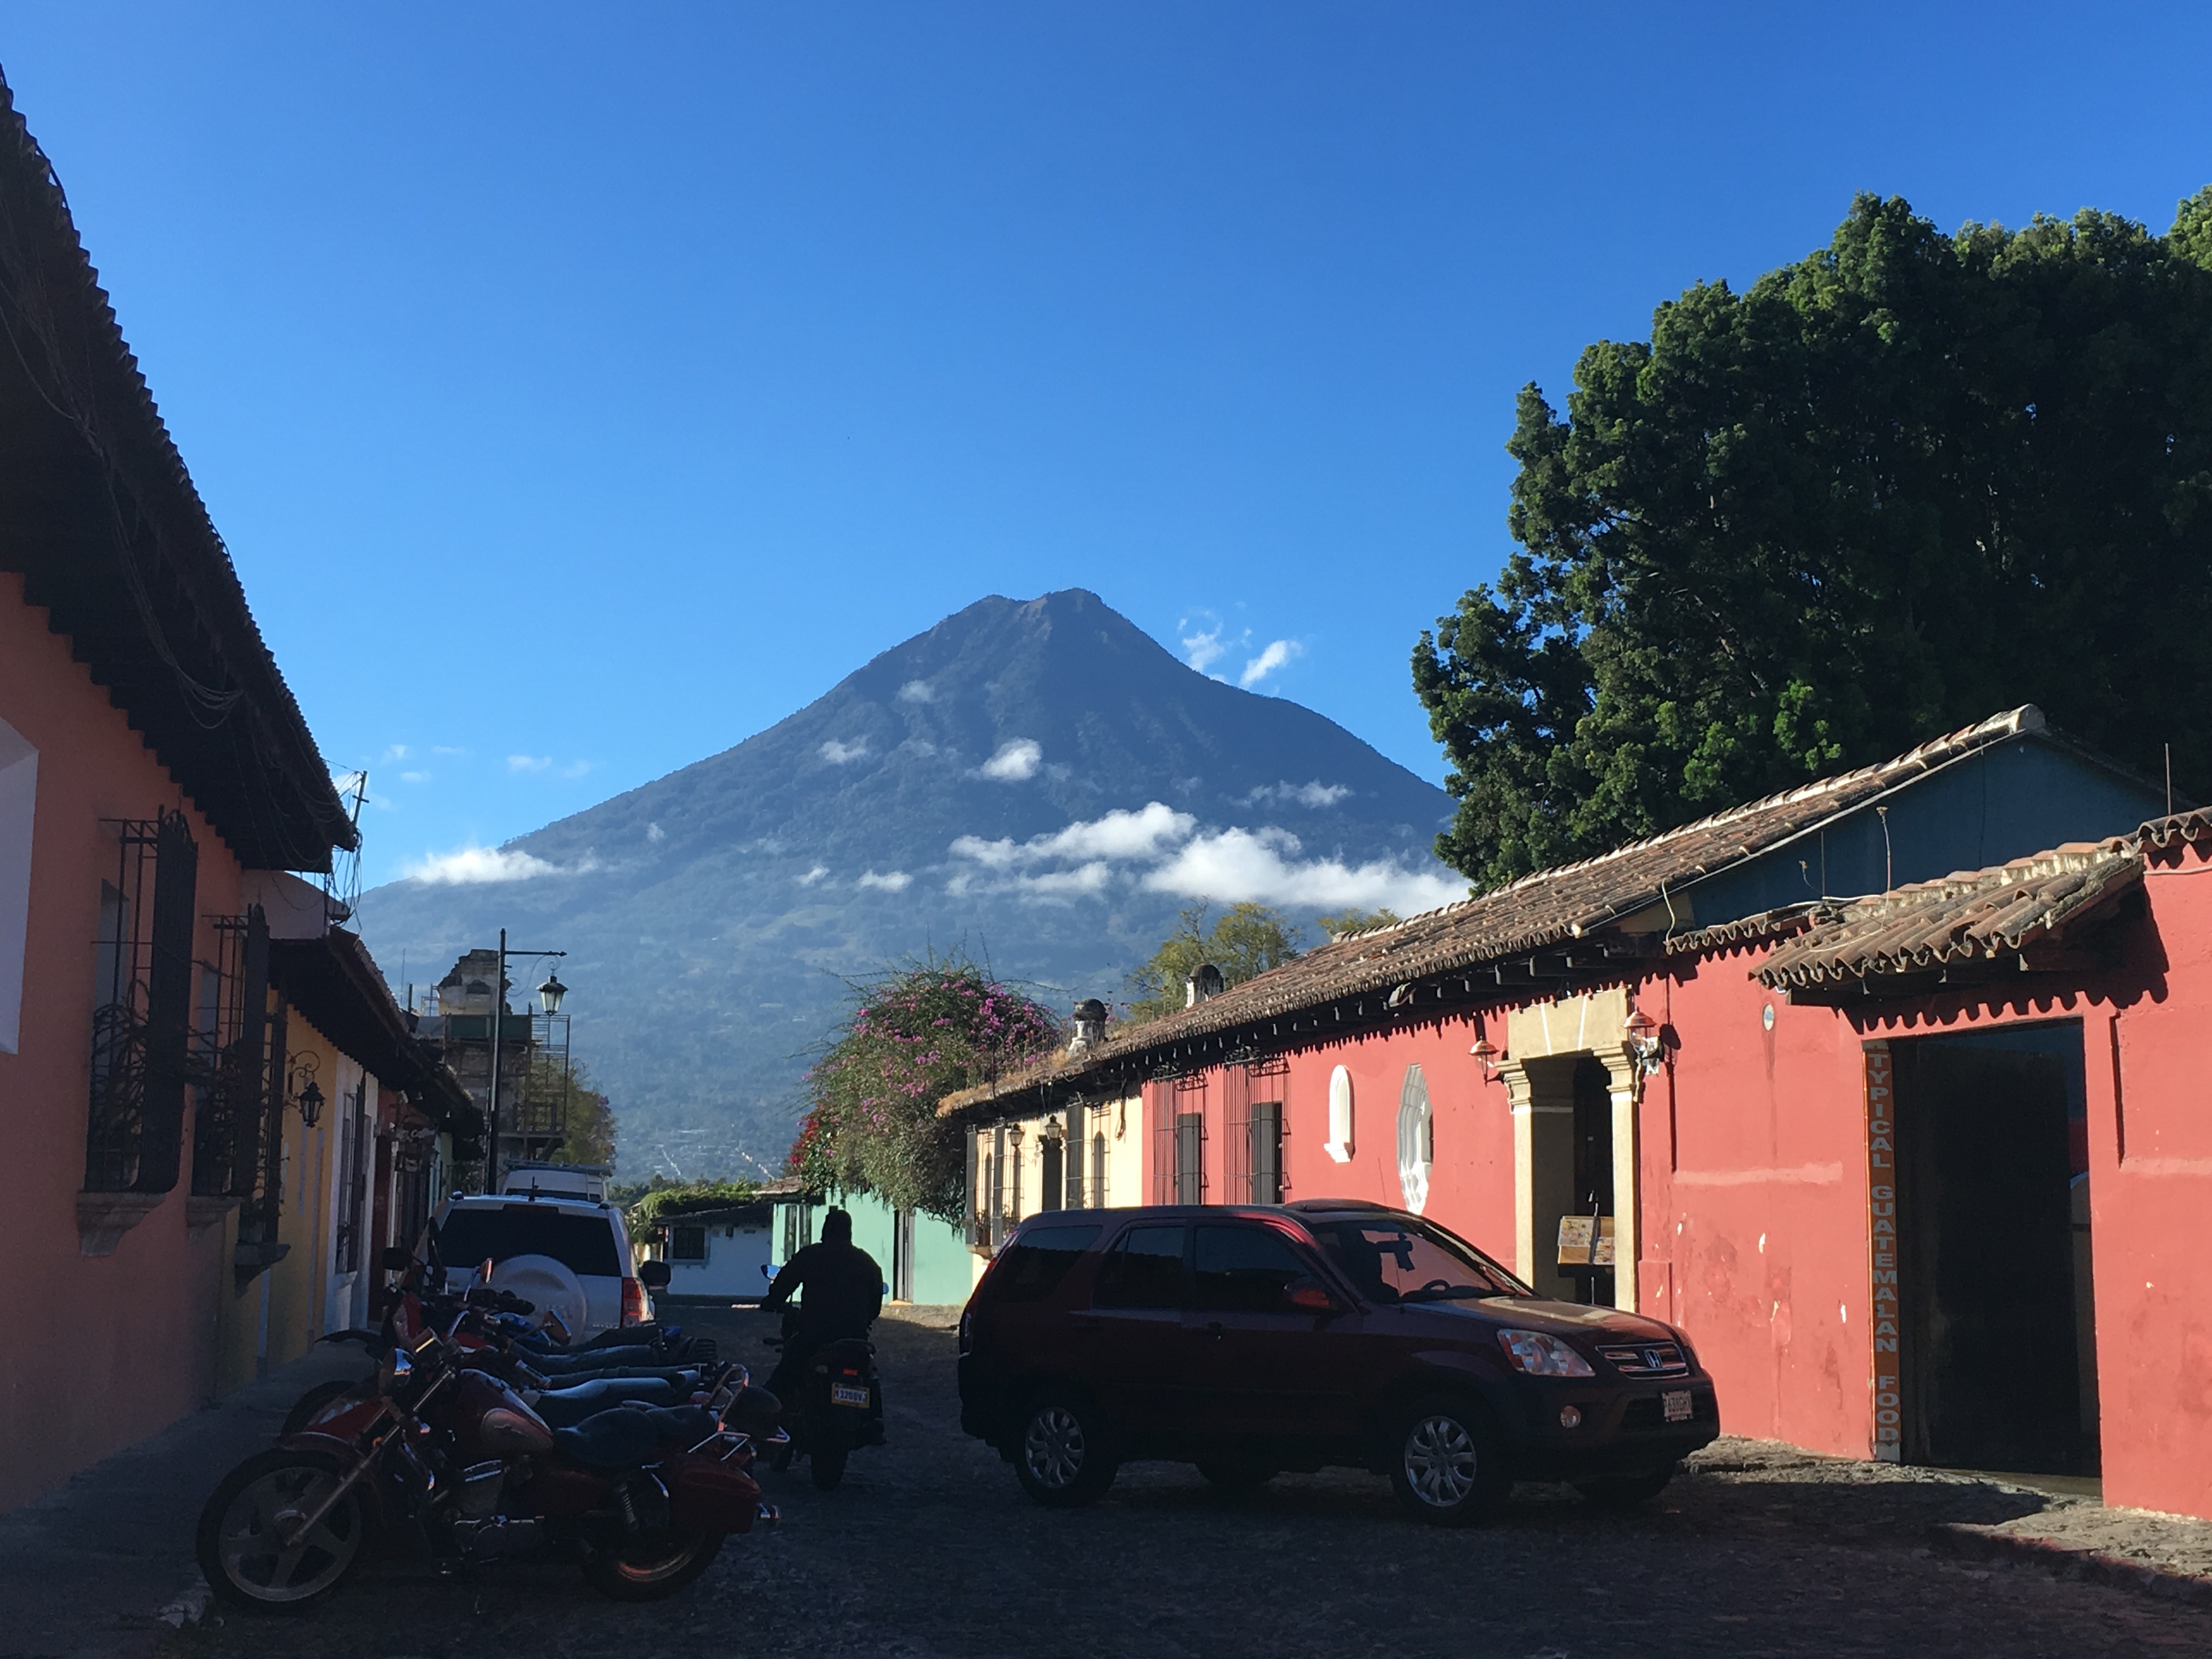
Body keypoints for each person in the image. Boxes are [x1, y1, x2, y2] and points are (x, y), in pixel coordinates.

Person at [760, 1208, 884, 1428]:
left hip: (815, 1335)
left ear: (825, 1231)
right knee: (869, 1375)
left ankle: (766, 1425)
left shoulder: (811, 1256)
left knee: (781, 1380)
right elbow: (874, 1310)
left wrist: (771, 1302)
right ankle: (873, 1420)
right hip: (855, 1339)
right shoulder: (867, 1263)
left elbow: (783, 1284)